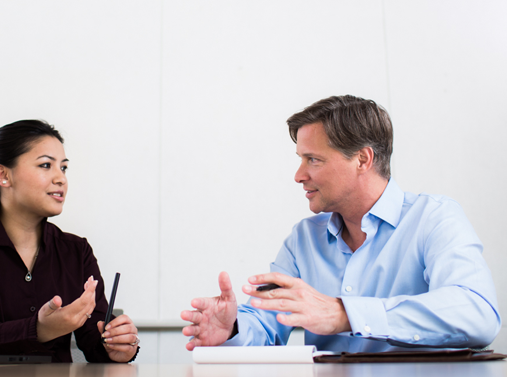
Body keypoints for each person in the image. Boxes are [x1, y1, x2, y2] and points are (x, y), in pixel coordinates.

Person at [181, 95, 501, 353]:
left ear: (362, 159)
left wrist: (344, 314)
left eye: (313, 160)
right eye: (300, 159)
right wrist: (233, 329)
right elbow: (265, 326)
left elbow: (477, 313)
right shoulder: (304, 239)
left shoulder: (434, 219)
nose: (298, 175)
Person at [0, 120, 140, 362]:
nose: (60, 179)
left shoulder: (76, 251)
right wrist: (38, 330)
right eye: (45, 165)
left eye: (63, 168)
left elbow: (96, 343)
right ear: (3, 175)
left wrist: (119, 346)